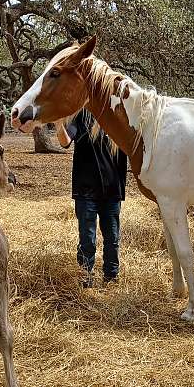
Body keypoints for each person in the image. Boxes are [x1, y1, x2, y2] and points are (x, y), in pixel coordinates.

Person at [60, 111, 128, 286]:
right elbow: (64, 141)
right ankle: (85, 277)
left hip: (112, 192)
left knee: (112, 239)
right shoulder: (80, 116)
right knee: (87, 239)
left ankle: (111, 277)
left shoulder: (118, 116)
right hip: (86, 192)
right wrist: (57, 121)